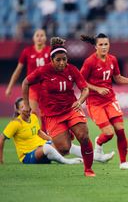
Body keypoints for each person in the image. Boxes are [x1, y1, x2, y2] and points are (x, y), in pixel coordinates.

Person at [22, 37, 95, 176]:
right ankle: (68, 133)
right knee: (64, 149)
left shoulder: (72, 70)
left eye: (64, 59)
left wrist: (80, 101)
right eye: (58, 60)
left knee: (84, 136)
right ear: (52, 60)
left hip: (71, 109)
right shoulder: (43, 71)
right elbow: (25, 82)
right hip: (52, 115)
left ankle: (88, 169)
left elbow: (85, 89)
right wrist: (27, 105)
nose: (62, 63)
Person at [80, 34, 128, 170]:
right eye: (100, 44)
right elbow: (80, 81)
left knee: (120, 130)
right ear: (95, 46)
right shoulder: (90, 62)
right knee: (108, 133)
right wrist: (97, 89)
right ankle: (98, 144)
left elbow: (117, 78)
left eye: (106, 44)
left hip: (110, 100)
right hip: (94, 102)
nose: (104, 47)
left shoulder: (112, 59)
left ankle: (123, 162)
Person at [0, 98, 83, 165]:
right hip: (28, 156)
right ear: (18, 111)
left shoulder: (33, 117)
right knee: (47, 148)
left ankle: (93, 156)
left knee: (65, 145)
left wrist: (52, 139)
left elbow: (39, 132)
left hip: (42, 148)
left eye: (27, 105)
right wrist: (1, 159)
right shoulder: (15, 123)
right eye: (22, 107)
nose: (26, 108)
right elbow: (1, 139)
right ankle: (67, 162)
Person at [6, 29, 51, 130]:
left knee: (45, 114)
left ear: (45, 38)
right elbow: (18, 70)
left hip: (46, 88)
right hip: (32, 88)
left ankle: (45, 137)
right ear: (33, 38)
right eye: (37, 35)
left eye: (42, 35)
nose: (39, 37)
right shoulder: (27, 51)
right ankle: (35, 136)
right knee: (33, 113)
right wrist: (10, 87)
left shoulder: (49, 51)